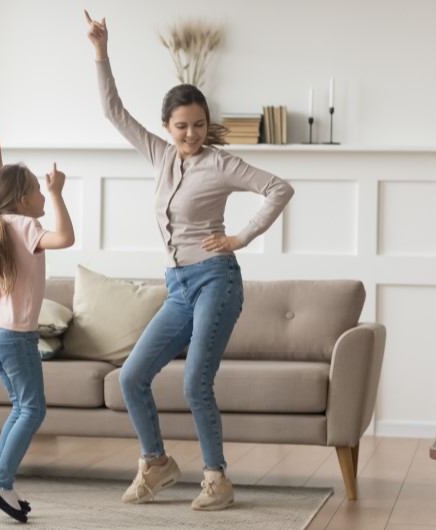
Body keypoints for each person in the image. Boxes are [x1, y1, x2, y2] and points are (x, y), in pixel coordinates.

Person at [84, 12, 294, 511]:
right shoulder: (159, 155)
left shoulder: (220, 164)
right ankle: (155, 463)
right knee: (132, 376)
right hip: (177, 287)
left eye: (199, 125)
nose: (192, 134)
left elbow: (278, 188)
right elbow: (114, 112)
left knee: (195, 379)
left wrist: (241, 236)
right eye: (182, 126)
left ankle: (217, 479)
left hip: (216, 281)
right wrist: (100, 52)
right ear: (167, 126)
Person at [0, 119, 75, 523]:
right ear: (21, 198)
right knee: (32, 410)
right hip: (16, 337)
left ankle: (0, 483)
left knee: (21, 408)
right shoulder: (28, 226)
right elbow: (65, 238)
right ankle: (0, 480)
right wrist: (58, 193)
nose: (41, 193)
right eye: (36, 189)